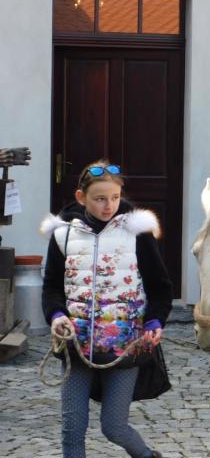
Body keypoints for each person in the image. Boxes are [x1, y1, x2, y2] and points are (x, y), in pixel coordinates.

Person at [41, 160, 173, 458]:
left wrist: (154, 322)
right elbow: (51, 287)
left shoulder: (137, 233)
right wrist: (57, 315)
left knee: (114, 427)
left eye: (114, 198)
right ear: (81, 198)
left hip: (124, 347)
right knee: (72, 428)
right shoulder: (63, 235)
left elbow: (161, 287)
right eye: (100, 198)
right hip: (76, 346)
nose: (108, 205)